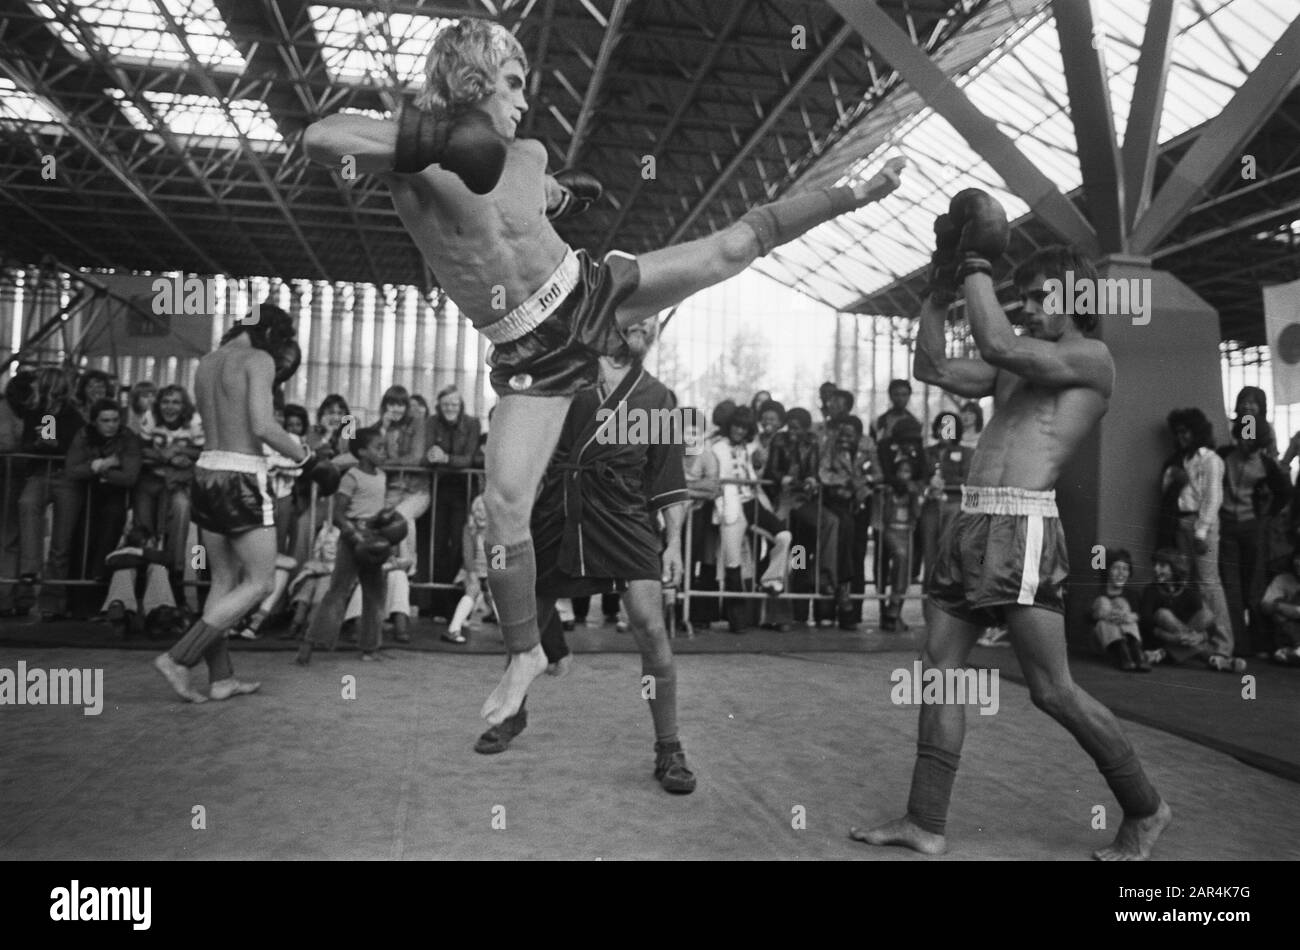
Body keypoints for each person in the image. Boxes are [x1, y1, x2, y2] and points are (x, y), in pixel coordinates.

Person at [303, 16, 906, 725]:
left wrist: (570, 195)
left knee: (733, 247)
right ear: (472, 80)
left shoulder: (525, 151)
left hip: (590, 291)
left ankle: (854, 194)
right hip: (530, 353)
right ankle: (525, 651)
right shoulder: (412, 161)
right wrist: (432, 137)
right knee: (503, 508)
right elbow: (320, 138)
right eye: (514, 83)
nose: (525, 99)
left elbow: (547, 197)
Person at [856, 207, 1170, 861]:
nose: (1026, 307)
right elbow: (933, 369)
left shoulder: (1090, 358)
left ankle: (1146, 808)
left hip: (1022, 527)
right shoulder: (1016, 364)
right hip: (971, 521)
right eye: (1020, 297)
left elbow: (998, 343)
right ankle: (925, 821)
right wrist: (937, 292)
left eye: (1037, 295)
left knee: (1053, 691)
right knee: (939, 671)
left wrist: (974, 263)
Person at [473, 325, 696, 795]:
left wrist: (673, 543)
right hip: (559, 505)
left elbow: (668, 478)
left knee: (650, 627)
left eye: (650, 320)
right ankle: (515, 712)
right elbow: (520, 440)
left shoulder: (658, 396)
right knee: (526, 609)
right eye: (633, 315)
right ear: (608, 315)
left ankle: (669, 746)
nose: (641, 326)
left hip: (624, 513)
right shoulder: (565, 375)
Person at [153, 305, 310, 702]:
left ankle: (221, 678)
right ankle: (179, 657)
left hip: (206, 471)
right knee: (261, 582)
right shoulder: (258, 359)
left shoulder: (207, 362)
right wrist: (302, 454)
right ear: (273, 333)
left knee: (223, 581)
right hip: (241, 477)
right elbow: (261, 425)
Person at [296, 427, 393, 665]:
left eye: (384, 447)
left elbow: (377, 511)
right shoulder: (351, 477)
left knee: (374, 593)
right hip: (352, 540)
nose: (384, 452)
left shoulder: (382, 476)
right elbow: (338, 514)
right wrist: (354, 534)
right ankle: (310, 643)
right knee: (338, 592)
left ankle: (370, 647)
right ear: (361, 452)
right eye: (378, 448)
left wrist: (385, 523)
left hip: (373, 539)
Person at [50, 399, 142, 618]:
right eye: (105, 421)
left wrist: (99, 471)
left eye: (115, 420)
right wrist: (102, 464)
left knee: (106, 541)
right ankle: (74, 600)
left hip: (113, 499)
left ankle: (99, 593)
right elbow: (71, 469)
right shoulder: (83, 435)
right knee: (78, 542)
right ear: (95, 421)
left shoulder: (127, 437)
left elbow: (130, 476)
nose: (111, 425)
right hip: (86, 495)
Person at [1217, 417, 1290, 657]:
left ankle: (1258, 642)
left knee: (1252, 587)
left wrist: (1266, 515)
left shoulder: (1267, 465)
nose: (1247, 446)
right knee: (1231, 587)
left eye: (1253, 442)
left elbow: (1284, 493)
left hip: (1251, 528)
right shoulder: (1224, 455)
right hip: (1227, 527)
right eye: (1244, 440)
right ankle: (1239, 644)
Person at [1164, 408, 1234, 653]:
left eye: (1185, 431)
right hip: (1183, 521)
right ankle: (1202, 641)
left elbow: (1213, 498)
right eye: (1178, 432)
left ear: (1197, 431)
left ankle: (1224, 644)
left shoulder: (1210, 460)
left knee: (1209, 584)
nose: (1181, 437)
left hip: (1201, 523)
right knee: (1192, 583)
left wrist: (1201, 531)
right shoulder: (1182, 460)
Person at [1139, 548, 1241, 671]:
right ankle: (1213, 659)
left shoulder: (1189, 592)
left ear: (1174, 568)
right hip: (1160, 639)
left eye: (1161, 566)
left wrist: (1200, 637)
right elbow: (1145, 623)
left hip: (1183, 641)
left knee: (1207, 615)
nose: (1156, 569)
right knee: (1163, 614)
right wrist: (1171, 637)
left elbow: (1211, 627)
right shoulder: (1150, 590)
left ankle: (1162, 654)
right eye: (1155, 565)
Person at [876, 456, 923, 632]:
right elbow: (885, 516)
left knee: (906, 568)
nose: (904, 475)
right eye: (901, 471)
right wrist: (892, 494)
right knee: (901, 556)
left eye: (907, 471)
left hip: (907, 532)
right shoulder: (888, 490)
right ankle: (892, 606)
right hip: (891, 531)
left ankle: (895, 611)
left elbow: (917, 514)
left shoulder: (914, 490)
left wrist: (913, 496)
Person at [1090, 549, 1149, 672]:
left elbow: (1142, 617)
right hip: (1105, 642)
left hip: (1129, 638)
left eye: (1125, 569)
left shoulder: (1133, 595)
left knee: (1123, 605)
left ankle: (1136, 654)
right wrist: (1108, 615)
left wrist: (1130, 617)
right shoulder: (1097, 592)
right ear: (1108, 570)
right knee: (1103, 602)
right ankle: (1121, 653)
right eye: (1116, 568)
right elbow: (1088, 617)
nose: (1121, 573)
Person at [1260, 548, 1300, 666]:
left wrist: (1293, 610)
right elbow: (1266, 605)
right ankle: (1291, 651)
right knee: (1278, 612)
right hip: (1290, 630)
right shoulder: (1283, 579)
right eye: (1298, 558)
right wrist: (1280, 607)